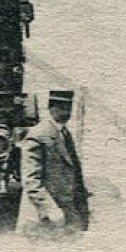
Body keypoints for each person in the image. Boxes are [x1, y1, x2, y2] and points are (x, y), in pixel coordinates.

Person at [16, 89, 89, 236]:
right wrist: (51, 209)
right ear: (51, 108)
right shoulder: (38, 135)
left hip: (69, 210)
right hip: (46, 216)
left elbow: (74, 172)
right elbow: (31, 181)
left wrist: (83, 205)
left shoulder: (65, 134)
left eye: (69, 107)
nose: (66, 112)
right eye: (61, 107)